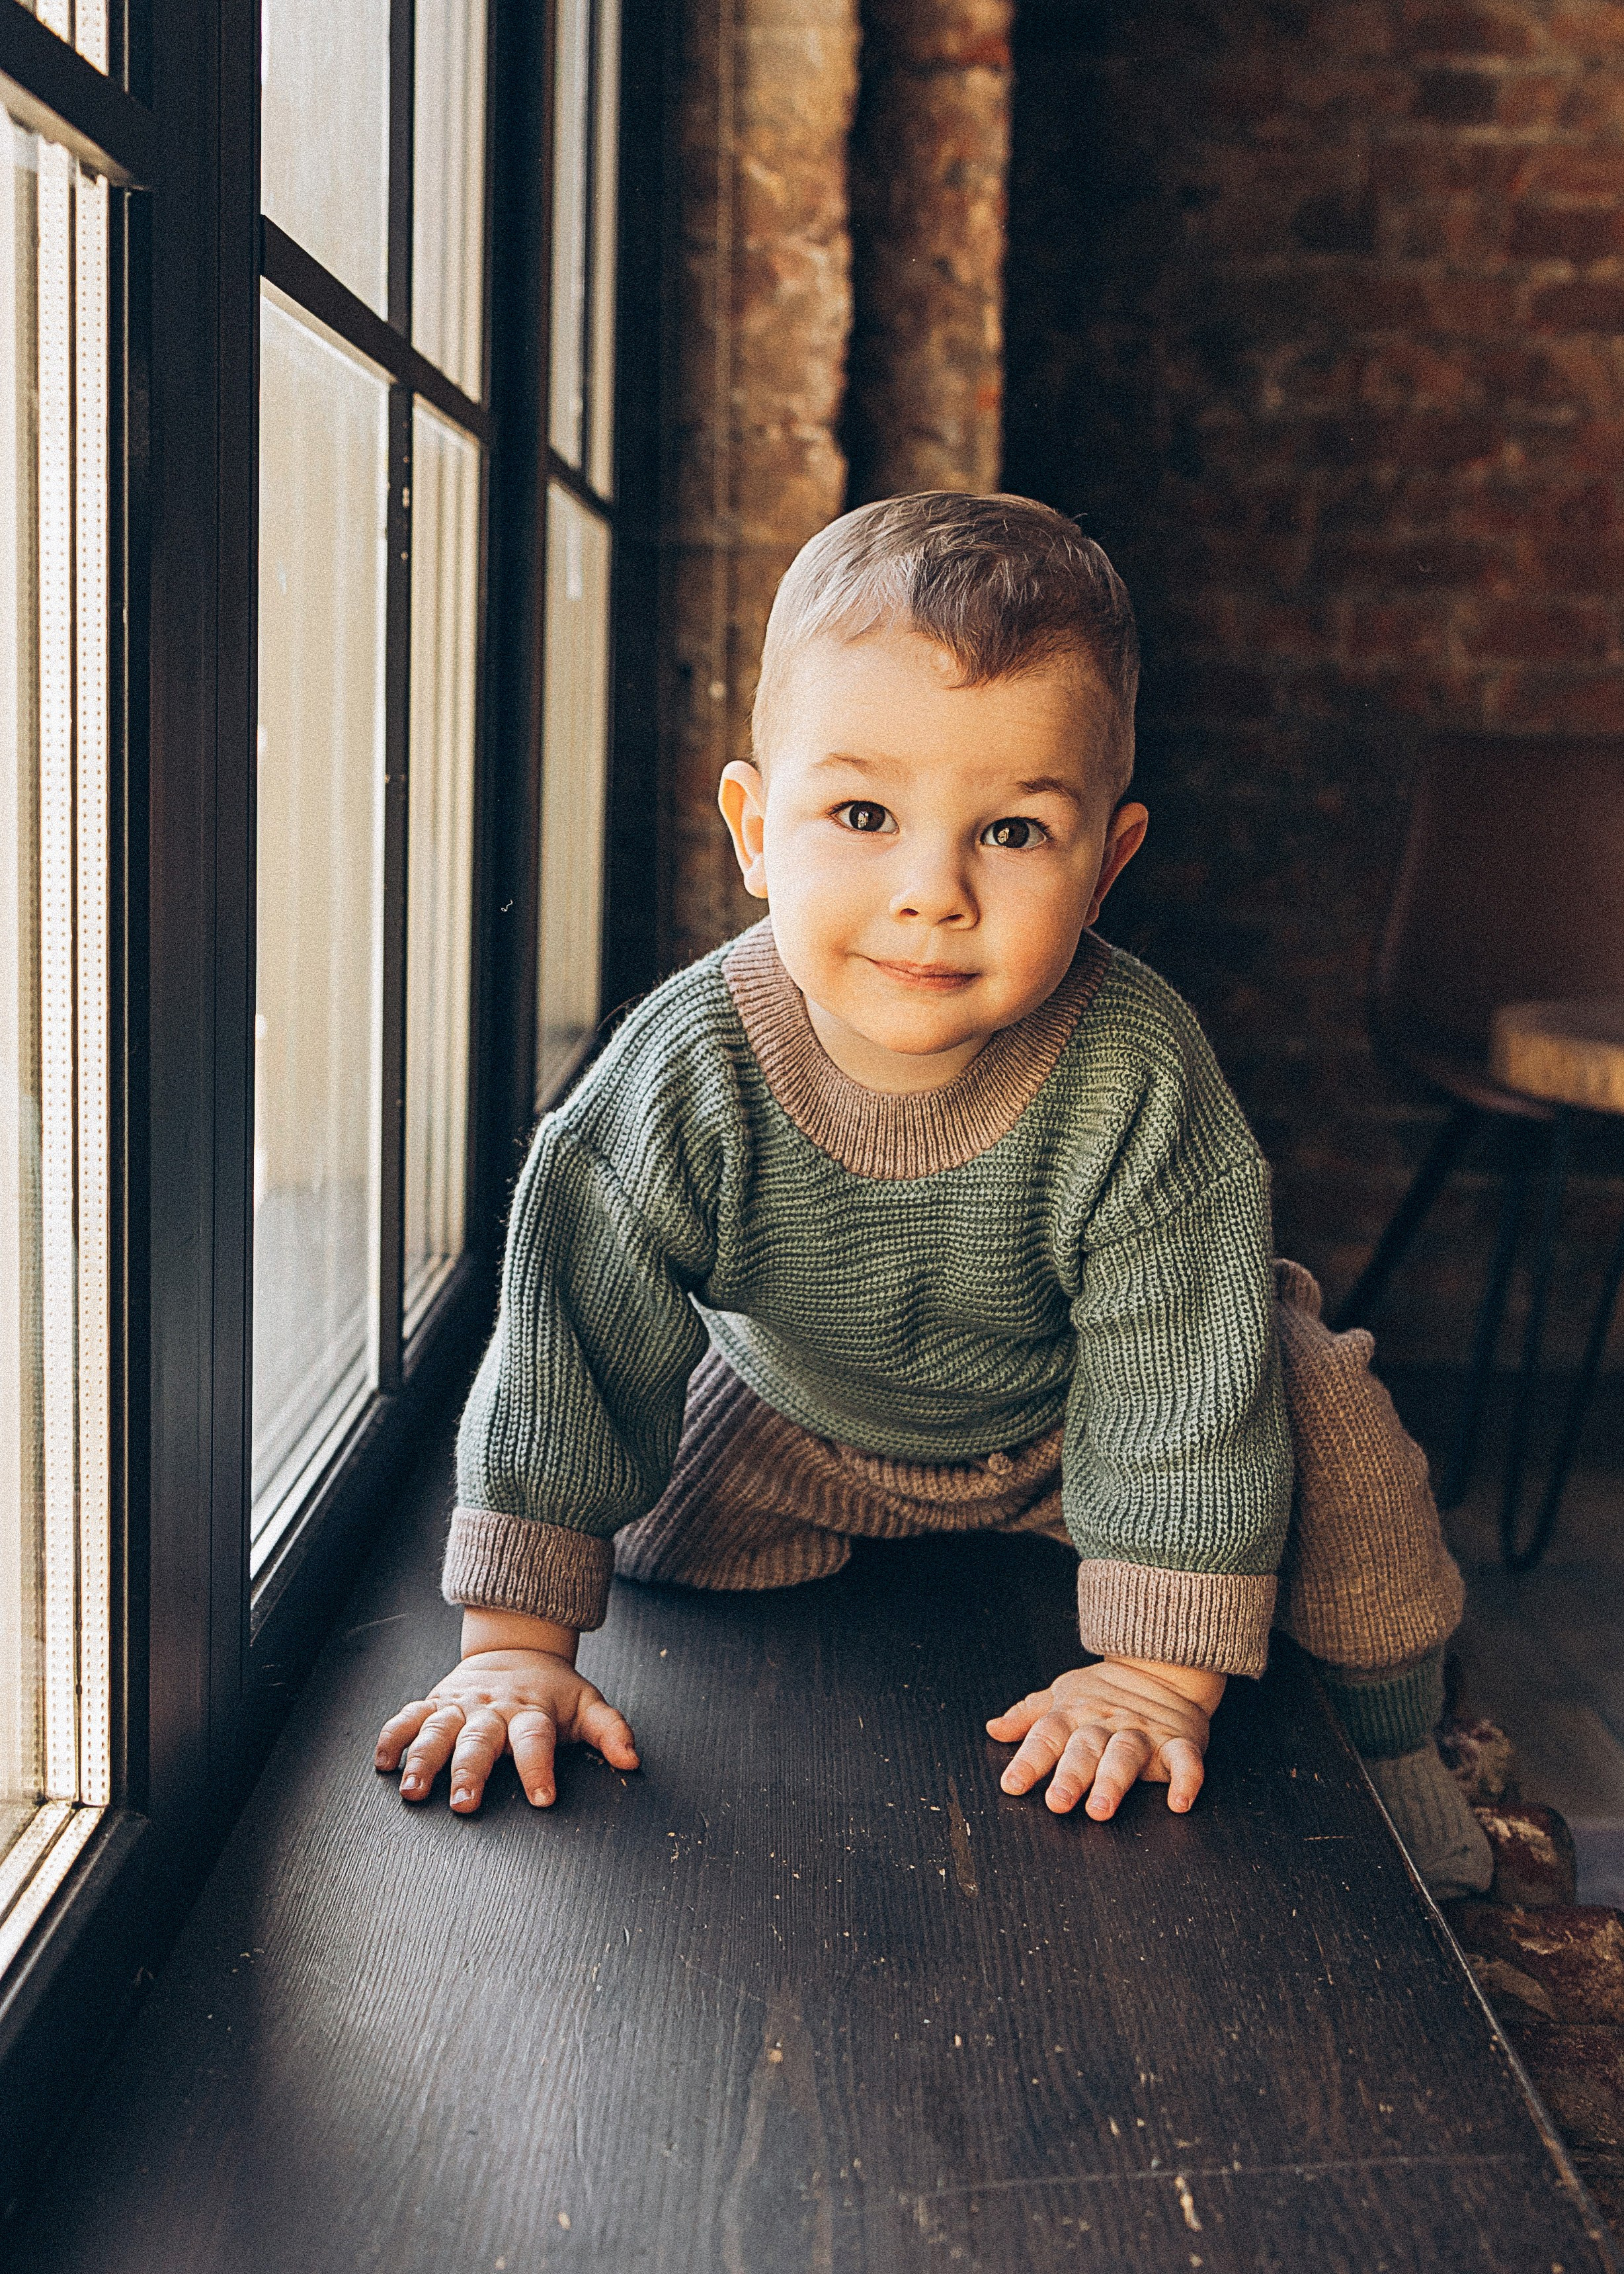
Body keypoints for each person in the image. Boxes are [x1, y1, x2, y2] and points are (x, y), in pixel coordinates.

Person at [374, 491, 1491, 1898]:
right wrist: (516, 1654)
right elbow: (576, 1350)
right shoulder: (685, 1064)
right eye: (861, 813)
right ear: (755, 828)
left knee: (1333, 1438)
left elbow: (1175, 1384)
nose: (932, 891)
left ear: (1107, 862)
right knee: (622, 1525)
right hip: (798, 1413)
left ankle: (1397, 1752)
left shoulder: (1135, 1071)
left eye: (1014, 834)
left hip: (1082, 1426)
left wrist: (1152, 1680)